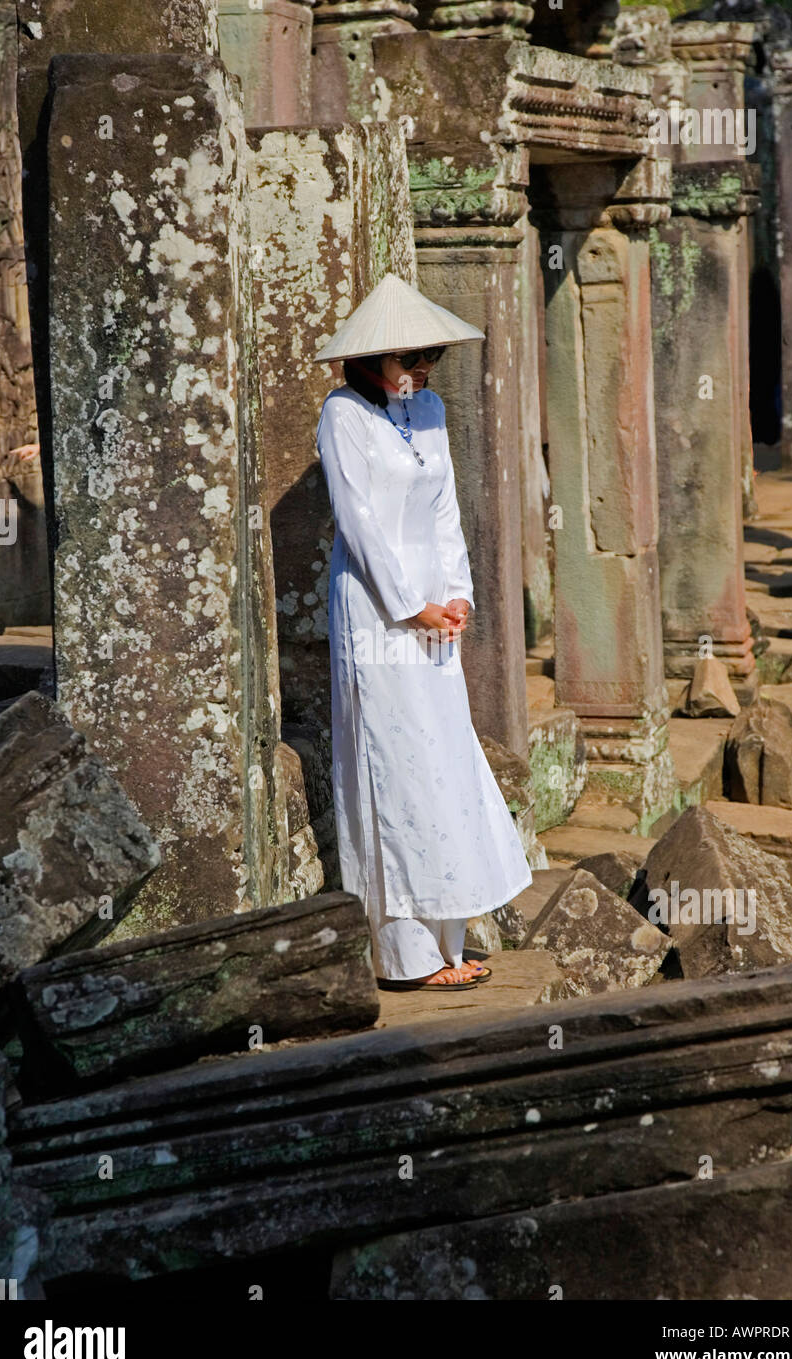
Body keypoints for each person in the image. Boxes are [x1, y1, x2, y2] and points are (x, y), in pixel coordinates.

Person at [314, 274, 533, 991]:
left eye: (429, 359)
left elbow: (444, 512)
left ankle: (451, 939)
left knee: (442, 758)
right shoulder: (342, 414)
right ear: (372, 361)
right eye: (410, 360)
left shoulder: (431, 410)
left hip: (435, 613)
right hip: (374, 609)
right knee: (392, 761)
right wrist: (409, 605)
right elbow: (359, 521)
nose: (421, 372)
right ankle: (403, 955)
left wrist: (457, 596)